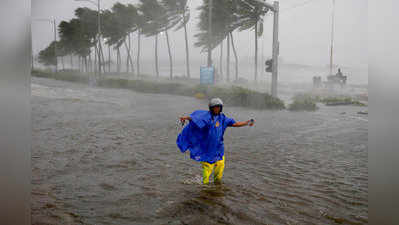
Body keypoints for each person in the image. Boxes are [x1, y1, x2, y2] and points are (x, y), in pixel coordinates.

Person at [176, 98, 255, 184]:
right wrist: (186, 118)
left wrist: (246, 123)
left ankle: (216, 186)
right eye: (215, 107)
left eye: (218, 107)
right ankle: (204, 189)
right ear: (211, 108)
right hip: (207, 150)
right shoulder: (207, 116)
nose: (217, 109)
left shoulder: (223, 118)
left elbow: (235, 124)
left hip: (219, 149)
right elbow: (195, 118)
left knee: (219, 172)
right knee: (206, 175)